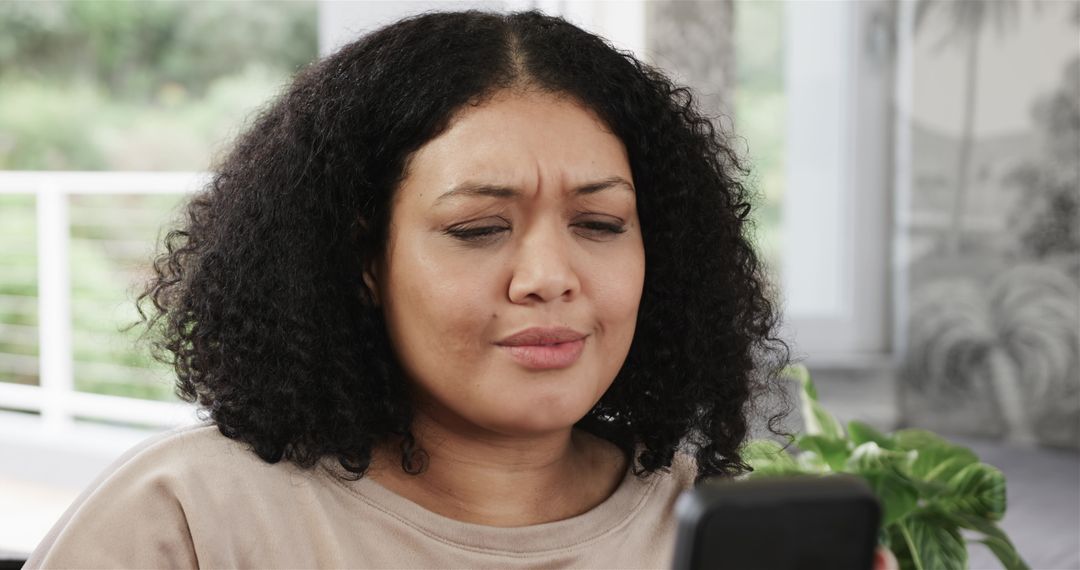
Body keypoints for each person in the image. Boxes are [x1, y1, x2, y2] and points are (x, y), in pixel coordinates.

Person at [26, 9, 895, 569]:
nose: (551, 278)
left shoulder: (715, 537)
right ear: (364, 261)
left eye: (600, 225)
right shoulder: (189, 519)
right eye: (479, 229)